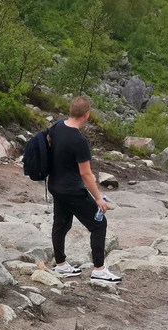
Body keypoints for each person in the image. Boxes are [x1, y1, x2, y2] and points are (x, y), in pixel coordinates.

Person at [44, 95, 119, 283]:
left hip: (54, 185)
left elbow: (49, 145)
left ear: (71, 111)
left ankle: (61, 264)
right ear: (86, 115)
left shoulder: (57, 127)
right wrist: (99, 199)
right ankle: (99, 270)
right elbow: (86, 174)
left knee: (61, 224)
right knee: (98, 225)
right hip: (72, 190)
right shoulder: (79, 141)